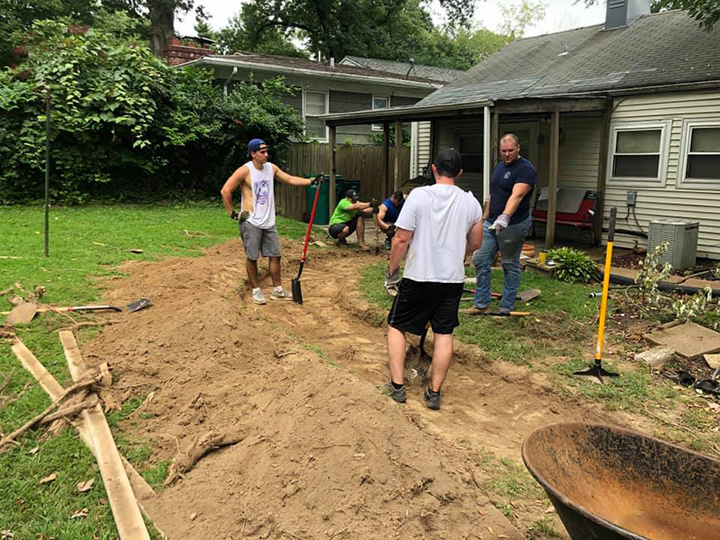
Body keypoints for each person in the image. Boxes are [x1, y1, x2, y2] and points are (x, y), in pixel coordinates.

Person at [382, 149, 484, 410]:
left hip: (418, 276)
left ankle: (397, 387)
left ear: (434, 169)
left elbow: (401, 239)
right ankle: (434, 393)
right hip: (451, 280)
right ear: (459, 173)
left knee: (396, 325)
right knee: (443, 333)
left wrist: (392, 272)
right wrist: (453, 252)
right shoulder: (471, 203)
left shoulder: (418, 196)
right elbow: (475, 243)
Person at [221, 138, 314, 305]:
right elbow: (225, 191)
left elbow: (291, 179)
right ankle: (256, 290)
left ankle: (277, 290)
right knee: (252, 257)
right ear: (253, 154)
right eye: (262, 152)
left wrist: (311, 181)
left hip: (269, 221)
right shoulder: (245, 171)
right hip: (251, 222)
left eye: (266, 151)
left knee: (275, 256)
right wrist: (233, 213)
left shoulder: (271, 168)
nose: (266, 155)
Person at [465, 133, 537, 315]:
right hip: (491, 222)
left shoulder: (526, 169)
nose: (507, 154)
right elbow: (493, 196)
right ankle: (481, 304)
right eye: (504, 151)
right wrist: (484, 218)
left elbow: (517, 195)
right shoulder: (498, 167)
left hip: (513, 225)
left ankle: (506, 306)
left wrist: (505, 217)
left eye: (511, 150)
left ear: (518, 148)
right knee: (481, 259)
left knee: (509, 264)